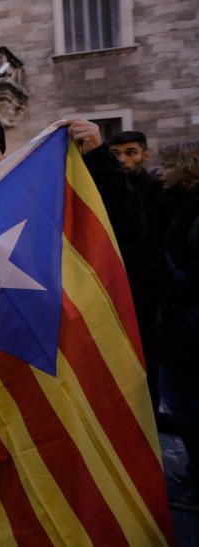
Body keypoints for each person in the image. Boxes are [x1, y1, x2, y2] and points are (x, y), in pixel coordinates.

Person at [108, 130, 166, 421]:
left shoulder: (159, 191)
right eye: (115, 154)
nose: (122, 160)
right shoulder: (105, 189)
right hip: (114, 288)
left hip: (146, 291)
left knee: (147, 361)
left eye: (130, 152)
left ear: (145, 153)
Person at [155, 140, 199, 512]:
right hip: (181, 326)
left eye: (167, 165)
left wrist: (170, 289)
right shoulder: (180, 205)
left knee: (187, 404)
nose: (161, 171)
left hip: (189, 329)